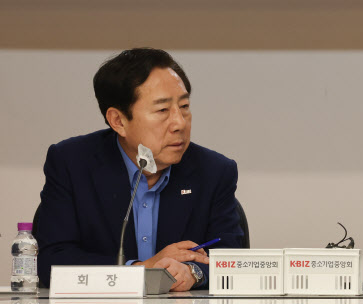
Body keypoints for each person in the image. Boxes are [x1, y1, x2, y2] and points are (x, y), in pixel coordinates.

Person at [37, 48, 242, 291]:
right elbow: (52, 261)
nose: (179, 123)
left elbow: (233, 260)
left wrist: (193, 273)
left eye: (184, 106)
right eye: (162, 110)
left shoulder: (214, 171)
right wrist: (140, 270)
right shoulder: (72, 163)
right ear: (118, 121)